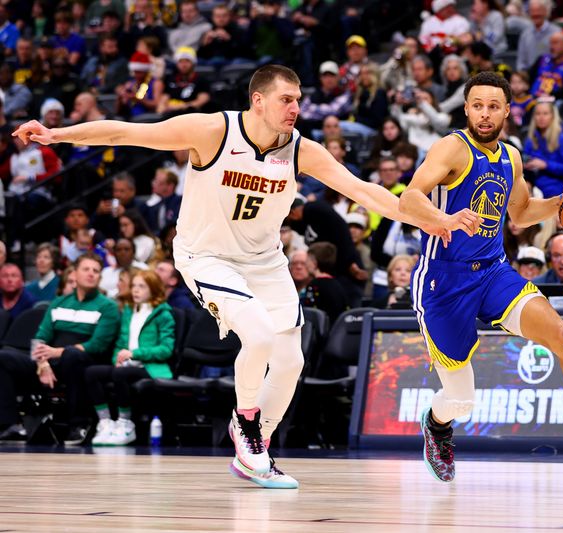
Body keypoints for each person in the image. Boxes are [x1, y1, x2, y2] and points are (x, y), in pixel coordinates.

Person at [13, 65, 469, 487]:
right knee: (258, 335)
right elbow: (130, 131)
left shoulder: (301, 150)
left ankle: (256, 443)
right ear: (258, 101)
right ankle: (247, 426)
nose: (296, 108)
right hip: (207, 256)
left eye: (299, 99)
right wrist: (57, 134)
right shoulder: (213, 130)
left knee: (291, 361)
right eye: (287, 99)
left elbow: (363, 190)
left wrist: (431, 220)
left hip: (265, 261)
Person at [398, 72, 563, 483]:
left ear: (506, 110)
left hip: (494, 272)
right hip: (443, 283)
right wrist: (444, 218)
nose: (485, 114)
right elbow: (409, 198)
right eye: (478, 105)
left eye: (494, 106)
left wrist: (561, 203)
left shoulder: (511, 156)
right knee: (461, 400)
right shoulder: (451, 147)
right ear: (466, 108)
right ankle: (437, 426)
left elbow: (519, 214)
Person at [0, 254, 120, 445]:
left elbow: (97, 345)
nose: (91, 274)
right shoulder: (58, 303)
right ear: (75, 273)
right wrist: (42, 364)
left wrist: (57, 352)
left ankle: (78, 424)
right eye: (86, 269)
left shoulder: (108, 307)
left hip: (86, 362)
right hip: (50, 363)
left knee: (73, 355)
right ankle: (12, 425)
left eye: (96, 271)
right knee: (4, 357)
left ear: (100, 277)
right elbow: (40, 337)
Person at [87, 270, 175, 446]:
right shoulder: (128, 312)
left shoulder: (163, 314)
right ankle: (105, 423)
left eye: (141, 286)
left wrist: (135, 354)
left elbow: (166, 350)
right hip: (128, 365)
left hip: (149, 367)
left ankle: (125, 423)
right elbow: (120, 344)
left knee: (121, 375)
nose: (135, 290)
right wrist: (117, 360)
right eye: (134, 285)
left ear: (153, 289)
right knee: (91, 373)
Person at [522, 101, 563, 198]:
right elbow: (524, 160)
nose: (541, 117)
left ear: (552, 116)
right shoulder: (531, 139)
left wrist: (545, 165)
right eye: (538, 114)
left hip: (555, 188)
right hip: (532, 186)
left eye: (545, 113)